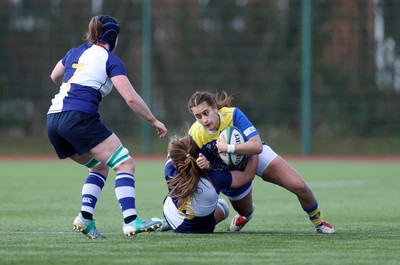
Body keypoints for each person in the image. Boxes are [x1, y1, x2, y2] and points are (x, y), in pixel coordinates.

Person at [46, 15, 168, 239]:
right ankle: (131, 221)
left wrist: (71, 85)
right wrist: (153, 120)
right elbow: (130, 98)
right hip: (78, 118)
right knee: (125, 164)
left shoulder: (75, 51)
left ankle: (85, 217)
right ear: (114, 38)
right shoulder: (110, 59)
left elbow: (55, 76)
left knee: (100, 166)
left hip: (53, 121)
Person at [187, 91, 336, 234]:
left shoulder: (232, 115)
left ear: (214, 108)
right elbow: (193, 163)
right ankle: (245, 214)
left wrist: (229, 148)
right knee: (245, 211)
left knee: (299, 185)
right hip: (229, 170)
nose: (204, 120)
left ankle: (319, 222)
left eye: (206, 113)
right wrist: (205, 164)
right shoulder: (195, 134)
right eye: (198, 116)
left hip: (252, 155)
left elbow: (256, 146)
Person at [154, 135, 257, 233]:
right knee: (224, 205)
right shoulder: (214, 178)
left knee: (180, 202)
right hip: (203, 228)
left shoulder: (169, 170)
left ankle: (167, 222)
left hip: (174, 219)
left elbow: (173, 151)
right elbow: (247, 176)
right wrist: (255, 150)